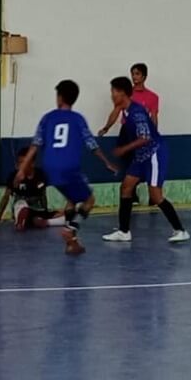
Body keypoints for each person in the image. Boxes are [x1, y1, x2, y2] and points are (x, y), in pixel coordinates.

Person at [16, 80, 116, 255]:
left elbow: (35, 145)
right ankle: (71, 230)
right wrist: (106, 162)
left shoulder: (47, 118)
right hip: (69, 167)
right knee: (89, 200)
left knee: (71, 200)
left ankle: (72, 243)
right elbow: (92, 145)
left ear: (60, 97)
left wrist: (21, 169)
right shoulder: (78, 119)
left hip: (49, 168)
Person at [102, 76, 190, 244]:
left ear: (122, 93)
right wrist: (106, 127)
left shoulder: (137, 113)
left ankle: (180, 230)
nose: (111, 95)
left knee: (155, 196)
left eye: (113, 92)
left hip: (154, 153)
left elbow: (145, 137)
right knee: (126, 187)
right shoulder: (125, 108)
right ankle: (123, 231)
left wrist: (123, 149)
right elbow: (114, 113)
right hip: (141, 156)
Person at [99, 63, 160, 204]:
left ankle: (153, 192)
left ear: (144, 76)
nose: (134, 77)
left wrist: (153, 133)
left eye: (137, 74)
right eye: (133, 74)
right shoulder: (126, 94)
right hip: (127, 131)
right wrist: (106, 127)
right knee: (129, 161)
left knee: (146, 161)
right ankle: (131, 192)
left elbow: (154, 116)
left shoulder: (152, 97)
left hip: (143, 135)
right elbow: (115, 112)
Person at [0, 153, 67, 231]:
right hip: (20, 206)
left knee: (66, 217)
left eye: (23, 163)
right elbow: (6, 197)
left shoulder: (40, 175)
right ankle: (20, 222)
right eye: (19, 162)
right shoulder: (14, 176)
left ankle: (45, 222)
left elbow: (43, 195)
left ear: (32, 164)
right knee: (21, 204)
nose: (20, 165)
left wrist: (45, 211)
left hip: (36, 207)